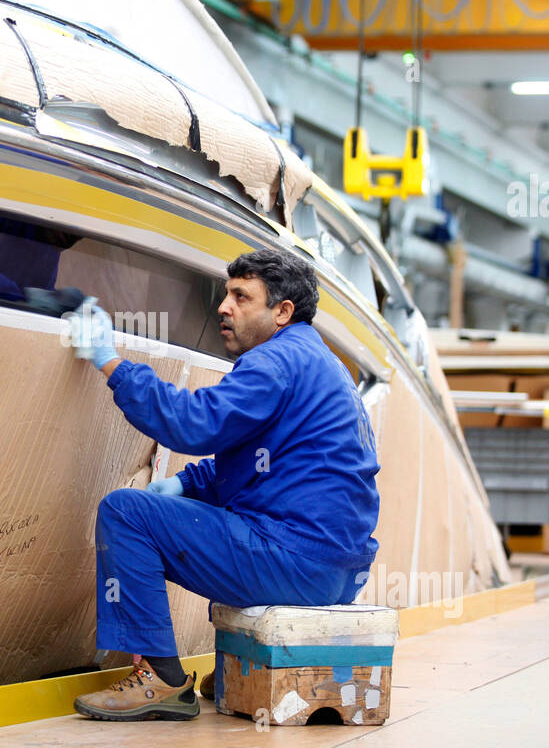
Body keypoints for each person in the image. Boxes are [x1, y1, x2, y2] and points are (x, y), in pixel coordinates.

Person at [65, 247, 381, 721]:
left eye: (241, 297)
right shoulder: (321, 363)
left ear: (282, 312)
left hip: (294, 560)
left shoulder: (273, 364)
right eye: (226, 294)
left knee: (125, 512)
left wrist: (110, 361)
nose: (223, 307)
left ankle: (161, 678)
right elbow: (266, 467)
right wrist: (186, 487)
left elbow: (191, 423)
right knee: (232, 521)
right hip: (338, 572)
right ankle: (244, 666)